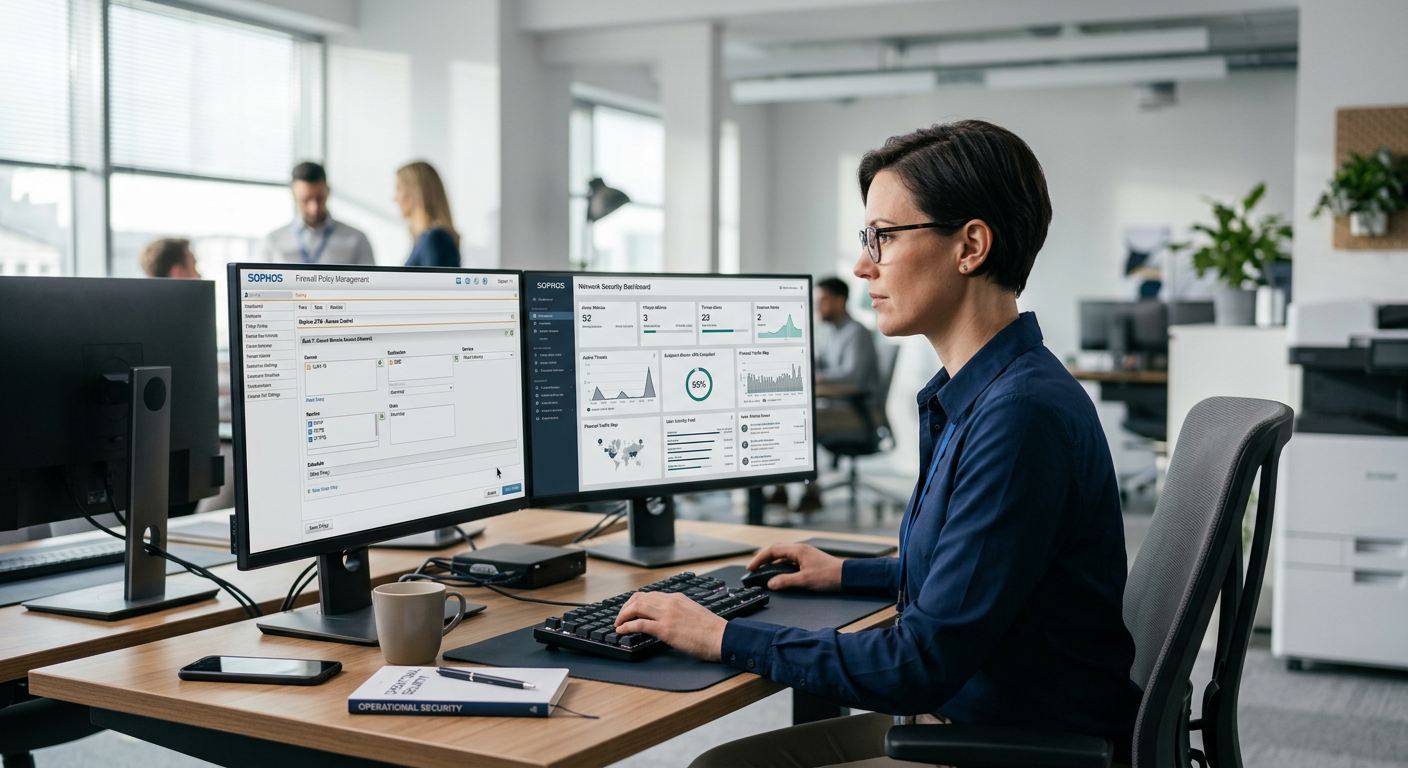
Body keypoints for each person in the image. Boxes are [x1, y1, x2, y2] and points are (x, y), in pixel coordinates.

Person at [613, 120, 1141, 767]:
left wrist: (722, 635)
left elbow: (918, 663)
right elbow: (979, 578)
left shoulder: (1018, 415)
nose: (864, 266)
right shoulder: (989, 391)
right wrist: (845, 572)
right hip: (981, 719)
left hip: (1008, 744)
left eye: (883, 238)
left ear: (970, 245)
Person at [783, 276, 882, 511]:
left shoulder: (857, 332)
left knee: (801, 424)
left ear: (840, 301)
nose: (818, 306)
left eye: (823, 300)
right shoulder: (827, 331)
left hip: (858, 412)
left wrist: (819, 377)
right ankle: (781, 490)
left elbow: (853, 376)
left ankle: (811, 493)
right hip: (835, 406)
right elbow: (819, 362)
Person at [259, 161, 375, 266]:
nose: (313, 208)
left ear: (328, 191)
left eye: (319, 198)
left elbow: (370, 286)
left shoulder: (357, 240)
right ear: (293, 194)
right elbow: (260, 287)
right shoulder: (272, 241)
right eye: (305, 199)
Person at [396, 161, 460, 268]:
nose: (395, 198)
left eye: (399, 189)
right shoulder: (425, 239)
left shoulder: (435, 239)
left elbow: (434, 283)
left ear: (413, 193)